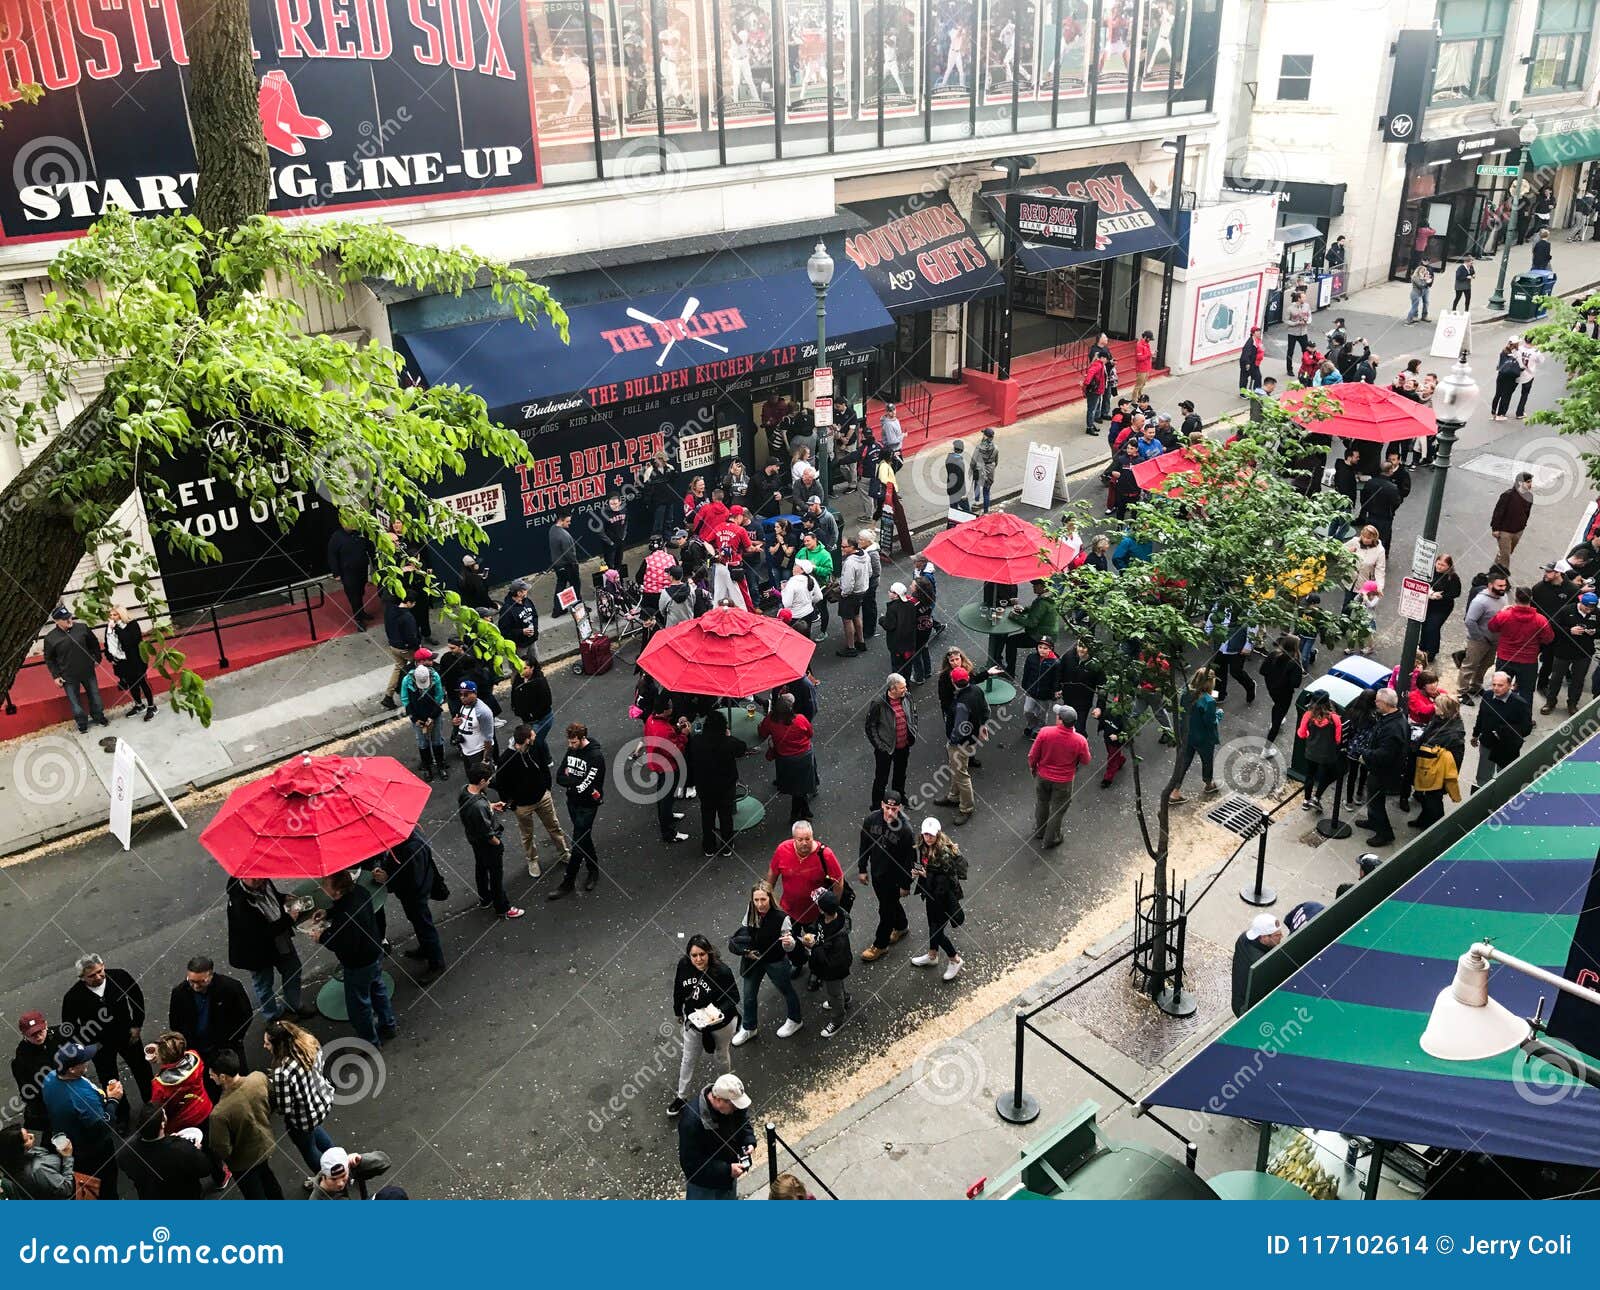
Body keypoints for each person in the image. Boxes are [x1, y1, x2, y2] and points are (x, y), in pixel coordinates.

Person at [308, 871, 399, 1044]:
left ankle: (370, 1042)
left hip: (359, 964)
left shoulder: (346, 916)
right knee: (378, 990)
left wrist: (322, 937)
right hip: (374, 951)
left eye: (326, 885)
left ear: (337, 891)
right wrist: (329, 913)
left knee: (359, 1007)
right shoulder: (360, 892)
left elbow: (343, 944)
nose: (322, 887)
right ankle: (388, 1025)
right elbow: (345, 908)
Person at [60, 954, 151, 1109]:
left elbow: (136, 998)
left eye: (100, 971)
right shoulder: (73, 997)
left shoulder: (120, 977)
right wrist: (88, 1046)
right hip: (100, 1045)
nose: (98, 976)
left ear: (103, 965)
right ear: (82, 977)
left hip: (127, 1036)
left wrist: (137, 1025)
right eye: (91, 975)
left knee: (142, 1069)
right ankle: (122, 1113)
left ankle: (151, 1102)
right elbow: (69, 1026)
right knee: (109, 1080)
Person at [226, 877, 314, 1024]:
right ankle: (273, 1016)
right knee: (264, 985)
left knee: (293, 970)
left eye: (259, 875)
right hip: (257, 953)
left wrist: (283, 897)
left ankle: (294, 1004)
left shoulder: (264, 882)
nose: (257, 880)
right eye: (252, 877)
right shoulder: (239, 903)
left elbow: (272, 898)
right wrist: (288, 919)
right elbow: (260, 934)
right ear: (241, 876)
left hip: (280, 940)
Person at [668, 935, 739, 1118]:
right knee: (688, 1058)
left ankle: (724, 1092)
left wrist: (715, 1012)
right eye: (694, 955)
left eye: (702, 954)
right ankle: (681, 1096)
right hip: (694, 1022)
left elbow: (733, 997)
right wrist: (678, 1011)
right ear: (688, 956)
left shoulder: (721, 971)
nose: (698, 959)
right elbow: (678, 988)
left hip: (720, 1025)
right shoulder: (684, 966)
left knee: (721, 1055)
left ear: (709, 953)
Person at [41, 1042, 122, 1198]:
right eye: (83, 1061)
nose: (87, 1061)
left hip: (71, 1145)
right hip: (93, 1152)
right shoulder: (83, 1099)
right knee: (106, 1188)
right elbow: (104, 1125)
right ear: (71, 1069)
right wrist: (113, 1100)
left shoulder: (50, 1077)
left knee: (86, 1188)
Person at [262, 1019, 337, 1178]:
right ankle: (340, 1164)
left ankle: (329, 1178)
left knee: (308, 1149)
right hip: (321, 1102)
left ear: (279, 1045)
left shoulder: (282, 1072)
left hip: (303, 1118)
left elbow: (285, 1108)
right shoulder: (309, 1044)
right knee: (316, 1131)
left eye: (268, 1044)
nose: (265, 1047)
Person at [493, 723, 570, 879]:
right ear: (527, 740)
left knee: (554, 827)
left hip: (542, 797)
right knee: (527, 835)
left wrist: (546, 788)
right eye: (532, 735)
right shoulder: (506, 759)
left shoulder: (535, 748)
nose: (535, 736)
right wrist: (512, 804)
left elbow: (544, 767)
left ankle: (564, 853)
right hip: (522, 806)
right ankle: (532, 860)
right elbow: (501, 784)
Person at [731, 886, 804, 1045]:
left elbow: (788, 946)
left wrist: (789, 943)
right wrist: (746, 951)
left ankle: (795, 1020)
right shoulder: (750, 911)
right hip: (753, 959)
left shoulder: (781, 917)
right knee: (748, 995)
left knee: (786, 990)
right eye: (756, 900)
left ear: (770, 898)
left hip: (774, 960)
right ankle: (749, 1027)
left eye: (763, 899)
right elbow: (746, 932)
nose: (759, 904)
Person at [370, 829, 447, 979]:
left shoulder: (410, 849)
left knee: (424, 926)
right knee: (418, 922)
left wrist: (387, 878)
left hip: (415, 895)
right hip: (415, 892)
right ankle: (426, 949)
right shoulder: (408, 835)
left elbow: (412, 881)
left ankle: (437, 963)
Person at [207, 1050, 282, 1199]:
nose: (210, 1076)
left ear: (222, 1077)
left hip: (242, 1162)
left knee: (254, 1195)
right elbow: (273, 1100)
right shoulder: (258, 1078)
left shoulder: (219, 1113)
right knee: (269, 1181)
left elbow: (221, 1148)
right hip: (264, 1144)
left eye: (212, 1074)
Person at [166, 956, 253, 1084]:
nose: (195, 986)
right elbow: (175, 1022)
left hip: (227, 1047)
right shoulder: (179, 993)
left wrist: (234, 1038)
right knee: (207, 1083)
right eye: (191, 981)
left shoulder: (230, 987)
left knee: (238, 1082)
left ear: (211, 975)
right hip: (198, 1050)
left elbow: (245, 1015)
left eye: (201, 982)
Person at [458, 765, 524, 920]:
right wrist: (498, 844)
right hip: (487, 844)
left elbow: (477, 812)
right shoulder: (479, 806)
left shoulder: (465, 790)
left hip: (474, 839)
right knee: (496, 876)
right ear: (481, 781)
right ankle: (503, 907)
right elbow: (487, 833)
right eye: (488, 780)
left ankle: (485, 898)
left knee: (481, 868)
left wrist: (491, 806)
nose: (489, 782)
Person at [677, 1072, 755, 1200]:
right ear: (718, 1100)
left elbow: (742, 1120)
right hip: (703, 1187)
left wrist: (748, 1140)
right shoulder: (691, 1122)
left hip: (728, 1175)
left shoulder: (731, 1104)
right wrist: (726, 1170)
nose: (736, 1108)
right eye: (734, 1105)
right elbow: (691, 1165)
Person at [857, 790, 915, 961]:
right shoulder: (871, 820)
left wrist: (906, 884)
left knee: (885, 911)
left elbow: (910, 860)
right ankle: (902, 926)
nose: (890, 812)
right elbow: (864, 844)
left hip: (894, 879)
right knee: (888, 903)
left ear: (900, 808)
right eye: (887, 807)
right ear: (882, 805)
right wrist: (862, 868)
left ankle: (880, 945)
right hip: (877, 874)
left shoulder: (905, 830)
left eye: (894, 808)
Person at [550, 722, 606, 899]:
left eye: (574, 742)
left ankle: (568, 881)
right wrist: (575, 781)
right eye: (569, 742)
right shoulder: (572, 750)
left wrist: (571, 780)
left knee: (578, 842)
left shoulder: (595, 756)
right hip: (572, 802)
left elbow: (588, 784)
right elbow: (559, 776)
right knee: (583, 838)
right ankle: (593, 869)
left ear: (583, 738)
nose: (570, 746)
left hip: (588, 805)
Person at [115, 1104, 214, 1200]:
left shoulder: (126, 1150)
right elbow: (205, 1169)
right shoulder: (182, 1150)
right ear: (162, 1124)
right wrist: (195, 1151)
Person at [684, 710, 746, 859]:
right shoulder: (728, 743)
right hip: (726, 786)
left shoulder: (697, 741)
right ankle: (727, 847)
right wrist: (729, 736)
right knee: (726, 816)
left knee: (707, 816)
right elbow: (742, 748)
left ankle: (709, 846)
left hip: (705, 786)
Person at [911, 818, 967, 981]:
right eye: (926, 834)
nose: (928, 838)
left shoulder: (944, 853)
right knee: (932, 924)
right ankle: (932, 954)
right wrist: (918, 870)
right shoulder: (923, 845)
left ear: (938, 834)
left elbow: (946, 879)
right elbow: (925, 865)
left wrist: (925, 874)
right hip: (931, 893)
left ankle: (954, 959)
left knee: (937, 930)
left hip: (942, 896)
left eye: (931, 835)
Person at [1028, 704, 1091, 848]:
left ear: (1060, 720)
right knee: (1058, 810)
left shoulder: (1045, 733)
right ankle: (1050, 839)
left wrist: (1033, 769)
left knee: (1042, 803)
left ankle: (1040, 831)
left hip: (1043, 776)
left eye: (1057, 715)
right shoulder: (1080, 740)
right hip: (1064, 781)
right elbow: (1086, 760)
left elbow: (1032, 755)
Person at [1356, 687, 1410, 845]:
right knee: (1373, 797)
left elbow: (1385, 754)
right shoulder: (1394, 718)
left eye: (1378, 701)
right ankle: (1373, 821)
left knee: (1376, 801)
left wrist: (1365, 753)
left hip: (1383, 771)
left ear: (1386, 703)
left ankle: (1384, 833)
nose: (1375, 703)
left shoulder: (1393, 728)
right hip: (1381, 769)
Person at [43, 606, 107, 732]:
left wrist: (97, 658)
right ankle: (81, 722)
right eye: (64, 618)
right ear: (56, 621)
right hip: (68, 675)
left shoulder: (82, 628)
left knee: (95, 696)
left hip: (87, 671)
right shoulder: (50, 638)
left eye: (69, 616)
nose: (69, 619)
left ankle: (98, 716)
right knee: (75, 702)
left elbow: (94, 644)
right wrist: (56, 676)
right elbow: (49, 659)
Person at [758, 694, 819, 823]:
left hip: (785, 758)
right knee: (800, 787)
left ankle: (799, 812)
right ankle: (801, 812)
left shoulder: (770, 719)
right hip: (804, 756)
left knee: (796, 786)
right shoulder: (800, 719)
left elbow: (762, 732)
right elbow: (810, 733)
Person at [639, 700, 692, 844]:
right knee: (667, 798)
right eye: (669, 707)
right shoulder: (664, 730)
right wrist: (684, 735)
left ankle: (667, 816)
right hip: (667, 766)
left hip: (656, 763)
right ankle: (669, 833)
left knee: (662, 793)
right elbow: (676, 749)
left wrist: (676, 727)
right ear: (664, 711)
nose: (672, 708)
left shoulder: (651, 720)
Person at [940, 666, 988, 825]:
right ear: (967, 679)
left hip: (960, 744)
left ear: (953, 682)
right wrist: (982, 725)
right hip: (971, 739)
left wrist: (952, 740)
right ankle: (954, 796)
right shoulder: (976, 690)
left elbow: (959, 727)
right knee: (956, 769)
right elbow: (985, 709)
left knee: (961, 774)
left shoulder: (961, 703)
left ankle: (966, 807)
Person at [1488, 585, 1554, 699]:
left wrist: (1500, 612)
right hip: (1528, 661)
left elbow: (1492, 627)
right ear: (1531, 599)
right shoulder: (1540, 620)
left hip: (1505, 657)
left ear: (1515, 598)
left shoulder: (1505, 615)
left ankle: (1498, 715)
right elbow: (1548, 638)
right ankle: (1524, 716)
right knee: (1526, 694)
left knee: (1499, 690)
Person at [1410, 693, 1465, 830]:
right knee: (1427, 798)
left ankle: (1435, 828)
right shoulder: (1440, 719)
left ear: (1445, 710)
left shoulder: (1454, 734)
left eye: (1437, 705)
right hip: (1429, 767)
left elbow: (1455, 759)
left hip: (1438, 772)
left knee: (1433, 800)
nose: (1434, 707)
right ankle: (1423, 820)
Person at [1472, 671, 1534, 789]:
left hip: (1507, 748)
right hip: (1487, 743)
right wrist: (1475, 734)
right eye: (1494, 684)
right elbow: (1481, 716)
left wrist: (1505, 732)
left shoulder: (1520, 704)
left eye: (1500, 685)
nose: (1496, 688)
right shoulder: (1487, 696)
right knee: (1483, 777)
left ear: (1510, 685)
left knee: (1504, 778)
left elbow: (1526, 728)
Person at [864, 673, 917, 807]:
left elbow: (913, 713)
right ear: (892, 689)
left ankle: (899, 798)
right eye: (902, 688)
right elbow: (870, 727)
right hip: (886, 748)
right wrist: (880, 746)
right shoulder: (878, 703)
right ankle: (877, 805)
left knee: (900, 774)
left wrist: (913, 730)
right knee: (881, 779)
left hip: (903, 745)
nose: (905, 690)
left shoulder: (907, 697)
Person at [147, 1031, 212, 1136]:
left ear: (164, 1059)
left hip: (184, 1122)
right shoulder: (195, 1057)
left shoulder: (160, 1085)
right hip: (204, 1107)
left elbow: (158, 1108)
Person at [1546, 591, 1600, 715]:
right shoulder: (1566, 610)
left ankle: (1572, 704)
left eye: (1592, 608)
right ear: (1581, 603)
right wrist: (1569, 630)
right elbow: (1553, 625)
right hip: (1563, 651)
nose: (1589, 611)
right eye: (1586, 608)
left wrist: (1595, 631)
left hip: (1583, 653)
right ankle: (1550, 701)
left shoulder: (1597, 613)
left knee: (1578, 680)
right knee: (1556, 678)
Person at [1458, 572, 1509, 703]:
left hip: (1495, 640)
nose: (1503, 588)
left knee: (1486, 663)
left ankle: (1475, 685)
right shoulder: (1480, 601)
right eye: (1500, 585)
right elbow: (1470, 621)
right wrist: (1480, 637)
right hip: (1478, 641)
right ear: (1490, 585)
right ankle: (1461, 692)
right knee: (1470, 665)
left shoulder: (1503, 597)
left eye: (1504, 585)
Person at [809, 890, 852, 1037]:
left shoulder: (838, 937)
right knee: (837, 988)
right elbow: (818, 928)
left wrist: (813, 946)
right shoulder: (827, 917)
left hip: (833, 969)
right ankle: (844, 998)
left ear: (822, 909)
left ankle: (837, 1020)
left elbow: (830, 961)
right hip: (832, 967)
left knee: (834, 993)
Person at [11, 1011, 62, 1132]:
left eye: (40, 1032)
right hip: (51, 1103)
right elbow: (27, 1092)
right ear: (24, 1035)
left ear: (46, 1025)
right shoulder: (22, 1059)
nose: (38, 1037)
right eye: (33, 1035)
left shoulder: (59, 1035)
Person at [104, 605, 155, 721]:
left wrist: (116, 629)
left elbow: (130, 641)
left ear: (121, 615)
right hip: (121, 661)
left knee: (143, 682)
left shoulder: (132, 625)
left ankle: (152, 706)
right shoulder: (109, 628)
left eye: (115, 615)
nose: (112, 617)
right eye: (111, 615)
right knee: (132, 684)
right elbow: (107, 643)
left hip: (135, 660)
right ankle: (139, 705)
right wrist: (110, 657)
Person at [400, 660, 447, 781]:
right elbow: (405, 700)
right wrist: (415, 718)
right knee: (422, 742)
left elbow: (439, 697)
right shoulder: (407, 680)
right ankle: (427, 767)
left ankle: (441, 765)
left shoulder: (435, 676)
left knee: (437, 740)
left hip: (434, 714)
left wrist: (432, 716)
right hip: (418, 716)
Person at [1003, 578, 1060, 676]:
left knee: (1011, 641)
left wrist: (1015, 616)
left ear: (1044, 587)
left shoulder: (1042, 602)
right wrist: (1024, 609)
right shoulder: (1049, 597)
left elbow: (1031, 623)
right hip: (1050, 634)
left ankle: (1010, 672)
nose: (1033, 587)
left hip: (1039, 635)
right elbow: (1036, 609)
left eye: (1036, 585)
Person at [0, 1125, 74, 1199]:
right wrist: (67, 1157)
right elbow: (66, 1189)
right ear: (19, 1149)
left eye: (28, 1132)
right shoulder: (39, 1170)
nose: (32, 1135)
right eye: (27, 1139)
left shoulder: (10, 1159)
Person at [1297, 696, 1343, 812]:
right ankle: (1316, 797)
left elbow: (1301, 734)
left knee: (1310, 775)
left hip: (1311, 752)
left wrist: (1308, 734)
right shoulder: (1335, 718)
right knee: (1328, 775)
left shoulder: (1308, 715)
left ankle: (1306, 801)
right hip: (1327, 754)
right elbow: (1338, 740)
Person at [1231, 914, 1283, 1016]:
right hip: (1246, 1010)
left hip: (1238, 1002)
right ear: (1263, 938)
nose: (1281, 937)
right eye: (1277, 935)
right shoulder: (1261, 963)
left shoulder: (1243, 938)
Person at [326, 520, 372, 628]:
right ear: (342, 524)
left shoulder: (359, 533)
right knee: (353, 595)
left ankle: (362, 612)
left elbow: (369, 547)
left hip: (361, 569)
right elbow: (332, 555)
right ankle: (359, 620)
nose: (351, 525)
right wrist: (336, 573)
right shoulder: (337, 537)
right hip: (347, 572)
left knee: (360, 592)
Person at [1260, 634, 1305, 743]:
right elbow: (1295, 684)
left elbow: (1262, 671)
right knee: (1278, 717)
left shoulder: (1273, 654)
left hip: (1271, 688)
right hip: (1284, 694)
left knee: (1277, 706)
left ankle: (1275, 721)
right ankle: (1267, 748)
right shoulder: (1295, 663)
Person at [1420, 554, 1462, 663]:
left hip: (1442, 607)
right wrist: (1430, 593)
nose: (1439, 567)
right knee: (1424, 625)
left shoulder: (1453, 577)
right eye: (1438, 564)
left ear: (1449, 566)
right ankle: (1422, 648)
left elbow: (1456, 593)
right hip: (1428, 604)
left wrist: (1442, 596)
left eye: (1443, 565)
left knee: (1432, 627)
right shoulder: (1430, 572)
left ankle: (1431, 652)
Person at [510, 658, 555, 757]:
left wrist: (532, 714)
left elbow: (547, 701)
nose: (521, 670)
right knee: (539, 740)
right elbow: (514, 693)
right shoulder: (519, 678)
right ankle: (547, 759)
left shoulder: (540, 682)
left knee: (534, 742)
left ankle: (543, 761)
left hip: (541, 719)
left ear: (532, 668)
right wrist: (515, 707)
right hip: (527, 719)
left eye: (524, 668)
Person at [1489, 473, 1535, 570]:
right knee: (1505, 558)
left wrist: (1523, 525)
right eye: (1528, 482)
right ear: (1520, 482)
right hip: (1505, 532)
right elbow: (1498, 512)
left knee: (1506, 553)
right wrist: (1495, 529)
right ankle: (1503, 579)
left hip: (1518, 531)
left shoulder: (1529, 496)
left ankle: (1493, 571)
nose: (1531, 484)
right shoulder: (1508, 495)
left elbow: (1527, 513)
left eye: (1531, 481)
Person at [452, 679, 498, 774]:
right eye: (460, 694)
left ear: (475, 693)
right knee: (471, 779)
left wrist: (485, 760)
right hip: (466, 751)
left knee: (482, 781)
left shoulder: (483, 712)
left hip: (478, 752)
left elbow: (489, 738)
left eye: (466, 694)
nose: (462, 697)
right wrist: (456, 722)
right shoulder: (465, 705)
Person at [836, 535, 871, 655]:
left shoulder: (850, 562)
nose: (842, 549)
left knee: (847, 620)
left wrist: (843, 593)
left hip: (851, 594)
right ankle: (861, 642)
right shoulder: (865, 555)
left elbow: (848, 584)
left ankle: (850, 648)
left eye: (844, 547)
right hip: (862, 591)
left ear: (852, 547)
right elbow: (870, 572)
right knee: (856, 615)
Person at [496, 579, 540, 663]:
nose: (527, 591)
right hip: (519, 646)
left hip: (532, 641)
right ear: (519, 593)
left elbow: (535, 616)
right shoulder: (506, 610)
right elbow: (504, 631)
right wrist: (521, 632)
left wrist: (535, 629)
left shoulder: (527, 601)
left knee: (536, 664)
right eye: (525, 590)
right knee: (521, 670)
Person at [548, 511, 582, 614]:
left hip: (557, 565)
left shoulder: (552, 529)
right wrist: (575, 563)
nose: (569, 523)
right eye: (567, 521)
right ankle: (578, 608)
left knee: (561, 585)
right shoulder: (564, 536)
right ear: (561, 521)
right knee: (576, 585)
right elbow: (570, 554)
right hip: (568, 565)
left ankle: (557, 610)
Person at [1490, 341, 1524, 421]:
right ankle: (1501, 414)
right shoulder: (1517, 353)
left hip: (1501, 375)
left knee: (1498, 394)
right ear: (1516, 344)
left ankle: (1493, 413)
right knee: (1506, 395)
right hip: (1510, 377)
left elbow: (1498, 365)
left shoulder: (1503, 351)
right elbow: (1521, 365)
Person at [971, 428, 1000, 512]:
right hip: (990, 470)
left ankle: (976, 502)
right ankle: (986, 511)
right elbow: (996, 462)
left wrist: (972, 468)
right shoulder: (996, 448)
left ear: (985, 436)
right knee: (986, 492)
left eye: (984, 434)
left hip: (980, 469)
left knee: (977, 484)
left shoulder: (979, 447)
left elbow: (973, 460)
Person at [1283, 293, 1311, 376]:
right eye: (1303, 297)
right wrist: (1296, 323)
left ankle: (1306, 369)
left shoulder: (1307, 306)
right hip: (1293, 333)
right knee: (1290, 351)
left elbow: (1309, 316)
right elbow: (1286, 320)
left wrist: (1307, 321)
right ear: (1299, 298)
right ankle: (1289, 369)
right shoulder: (1290, 308)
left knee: (1306, 351)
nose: (1305, 298)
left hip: (1303, 332)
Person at [1405, 259, 1433, 324]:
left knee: (1416, 306)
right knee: (1414, 307)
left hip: (1418, 293)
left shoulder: (1420, 277)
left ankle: (1411, 319)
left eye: (1425, 272)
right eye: (1423, 272)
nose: (1424, 273)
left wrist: (1426, 279)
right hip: (1415, 294)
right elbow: (1421, 285)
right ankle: (1408, 319)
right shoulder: (1415, 277)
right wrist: (1426, 281)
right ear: (1419, 271)